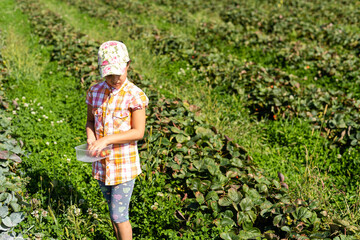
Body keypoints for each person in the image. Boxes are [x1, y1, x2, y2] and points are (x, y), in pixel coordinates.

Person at [85, 40, 149, 240]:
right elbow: (89, 121)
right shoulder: (95, 92)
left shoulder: (134, 95)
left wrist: (107, 140)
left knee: (119, 215)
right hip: (102, 164)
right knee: (113, 213)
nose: (115, 79)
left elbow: (138, 132)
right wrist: (91, 139)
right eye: (109, 74)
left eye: (118, 73)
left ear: (128, 65)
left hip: (123, 165)